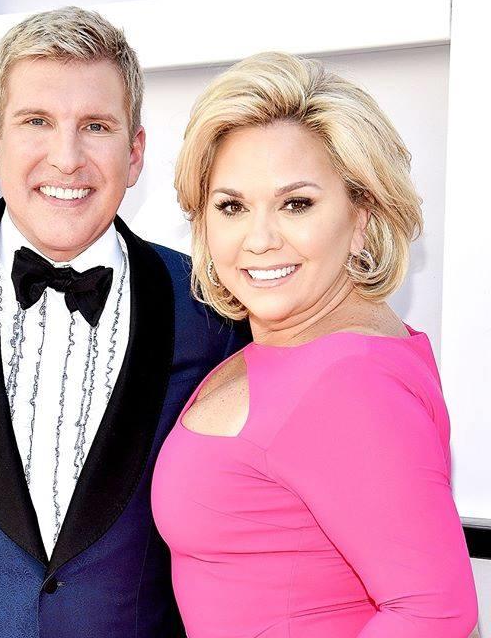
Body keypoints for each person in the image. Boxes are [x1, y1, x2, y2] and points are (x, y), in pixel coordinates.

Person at [0, 7, 247, 638]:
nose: (67, 158)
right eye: (37, 121)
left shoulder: (213, 304)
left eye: (96, 126)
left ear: (136, 150)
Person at [152, 52, 478, 637]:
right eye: (231, 207)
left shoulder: (348, 381)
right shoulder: (290, 348)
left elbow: (436, 613)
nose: (260, 239)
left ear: (361, 215)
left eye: (296, 203)